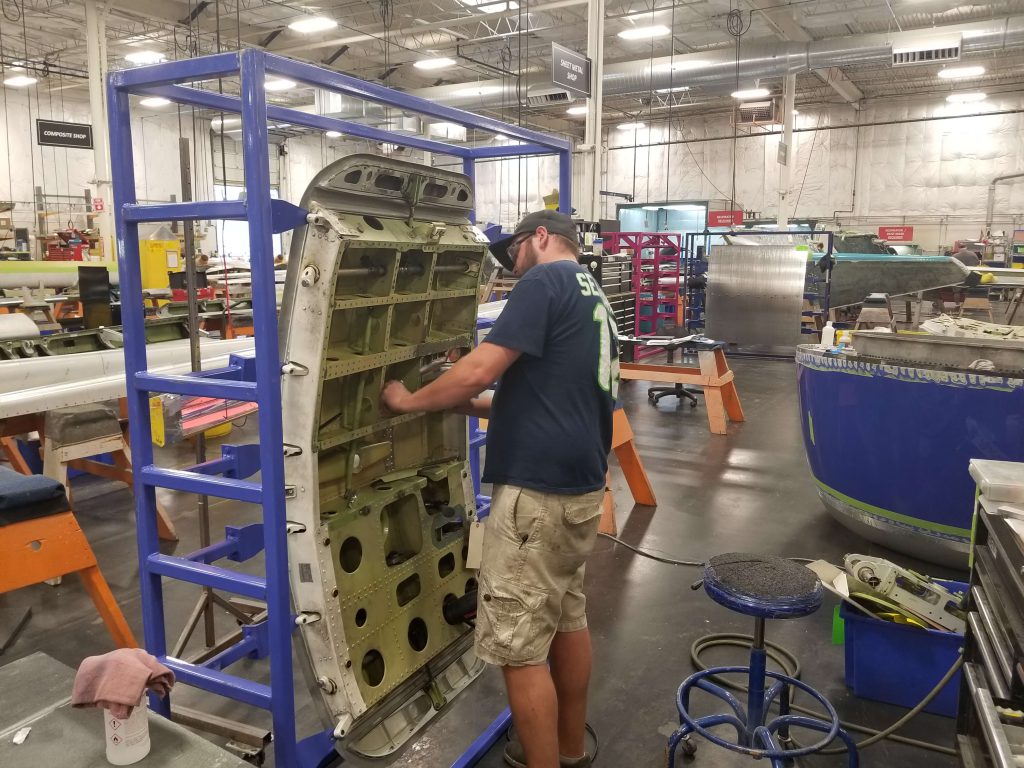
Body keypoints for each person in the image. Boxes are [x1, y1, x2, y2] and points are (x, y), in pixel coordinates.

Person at [381, 210, 619, 768]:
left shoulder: (544, 280)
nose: (510, 265)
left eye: (512, 251)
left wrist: (407, 401)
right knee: (567, 617)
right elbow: (535, 396)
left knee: (517, 650)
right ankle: (568, 749)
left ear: (540, 238)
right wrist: (457, 399)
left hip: (537, 496)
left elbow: (479, 370)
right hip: (581, 488)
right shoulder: (593, 294)